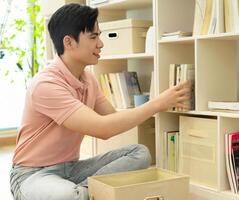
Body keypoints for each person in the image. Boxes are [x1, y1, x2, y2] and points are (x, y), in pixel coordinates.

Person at [10, 3, 190, 200]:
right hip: (32, 174)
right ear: (69, 42)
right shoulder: (46, 84)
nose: (101, 44)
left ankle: (82, 192)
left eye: (99, 36)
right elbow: (103, 129)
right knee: (68, 195)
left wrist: (155, 105)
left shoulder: (88, 79)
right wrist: (157, 103)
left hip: (72, 169)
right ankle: (81, 193)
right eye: (93, 37)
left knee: (139, 153)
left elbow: (113, 118)